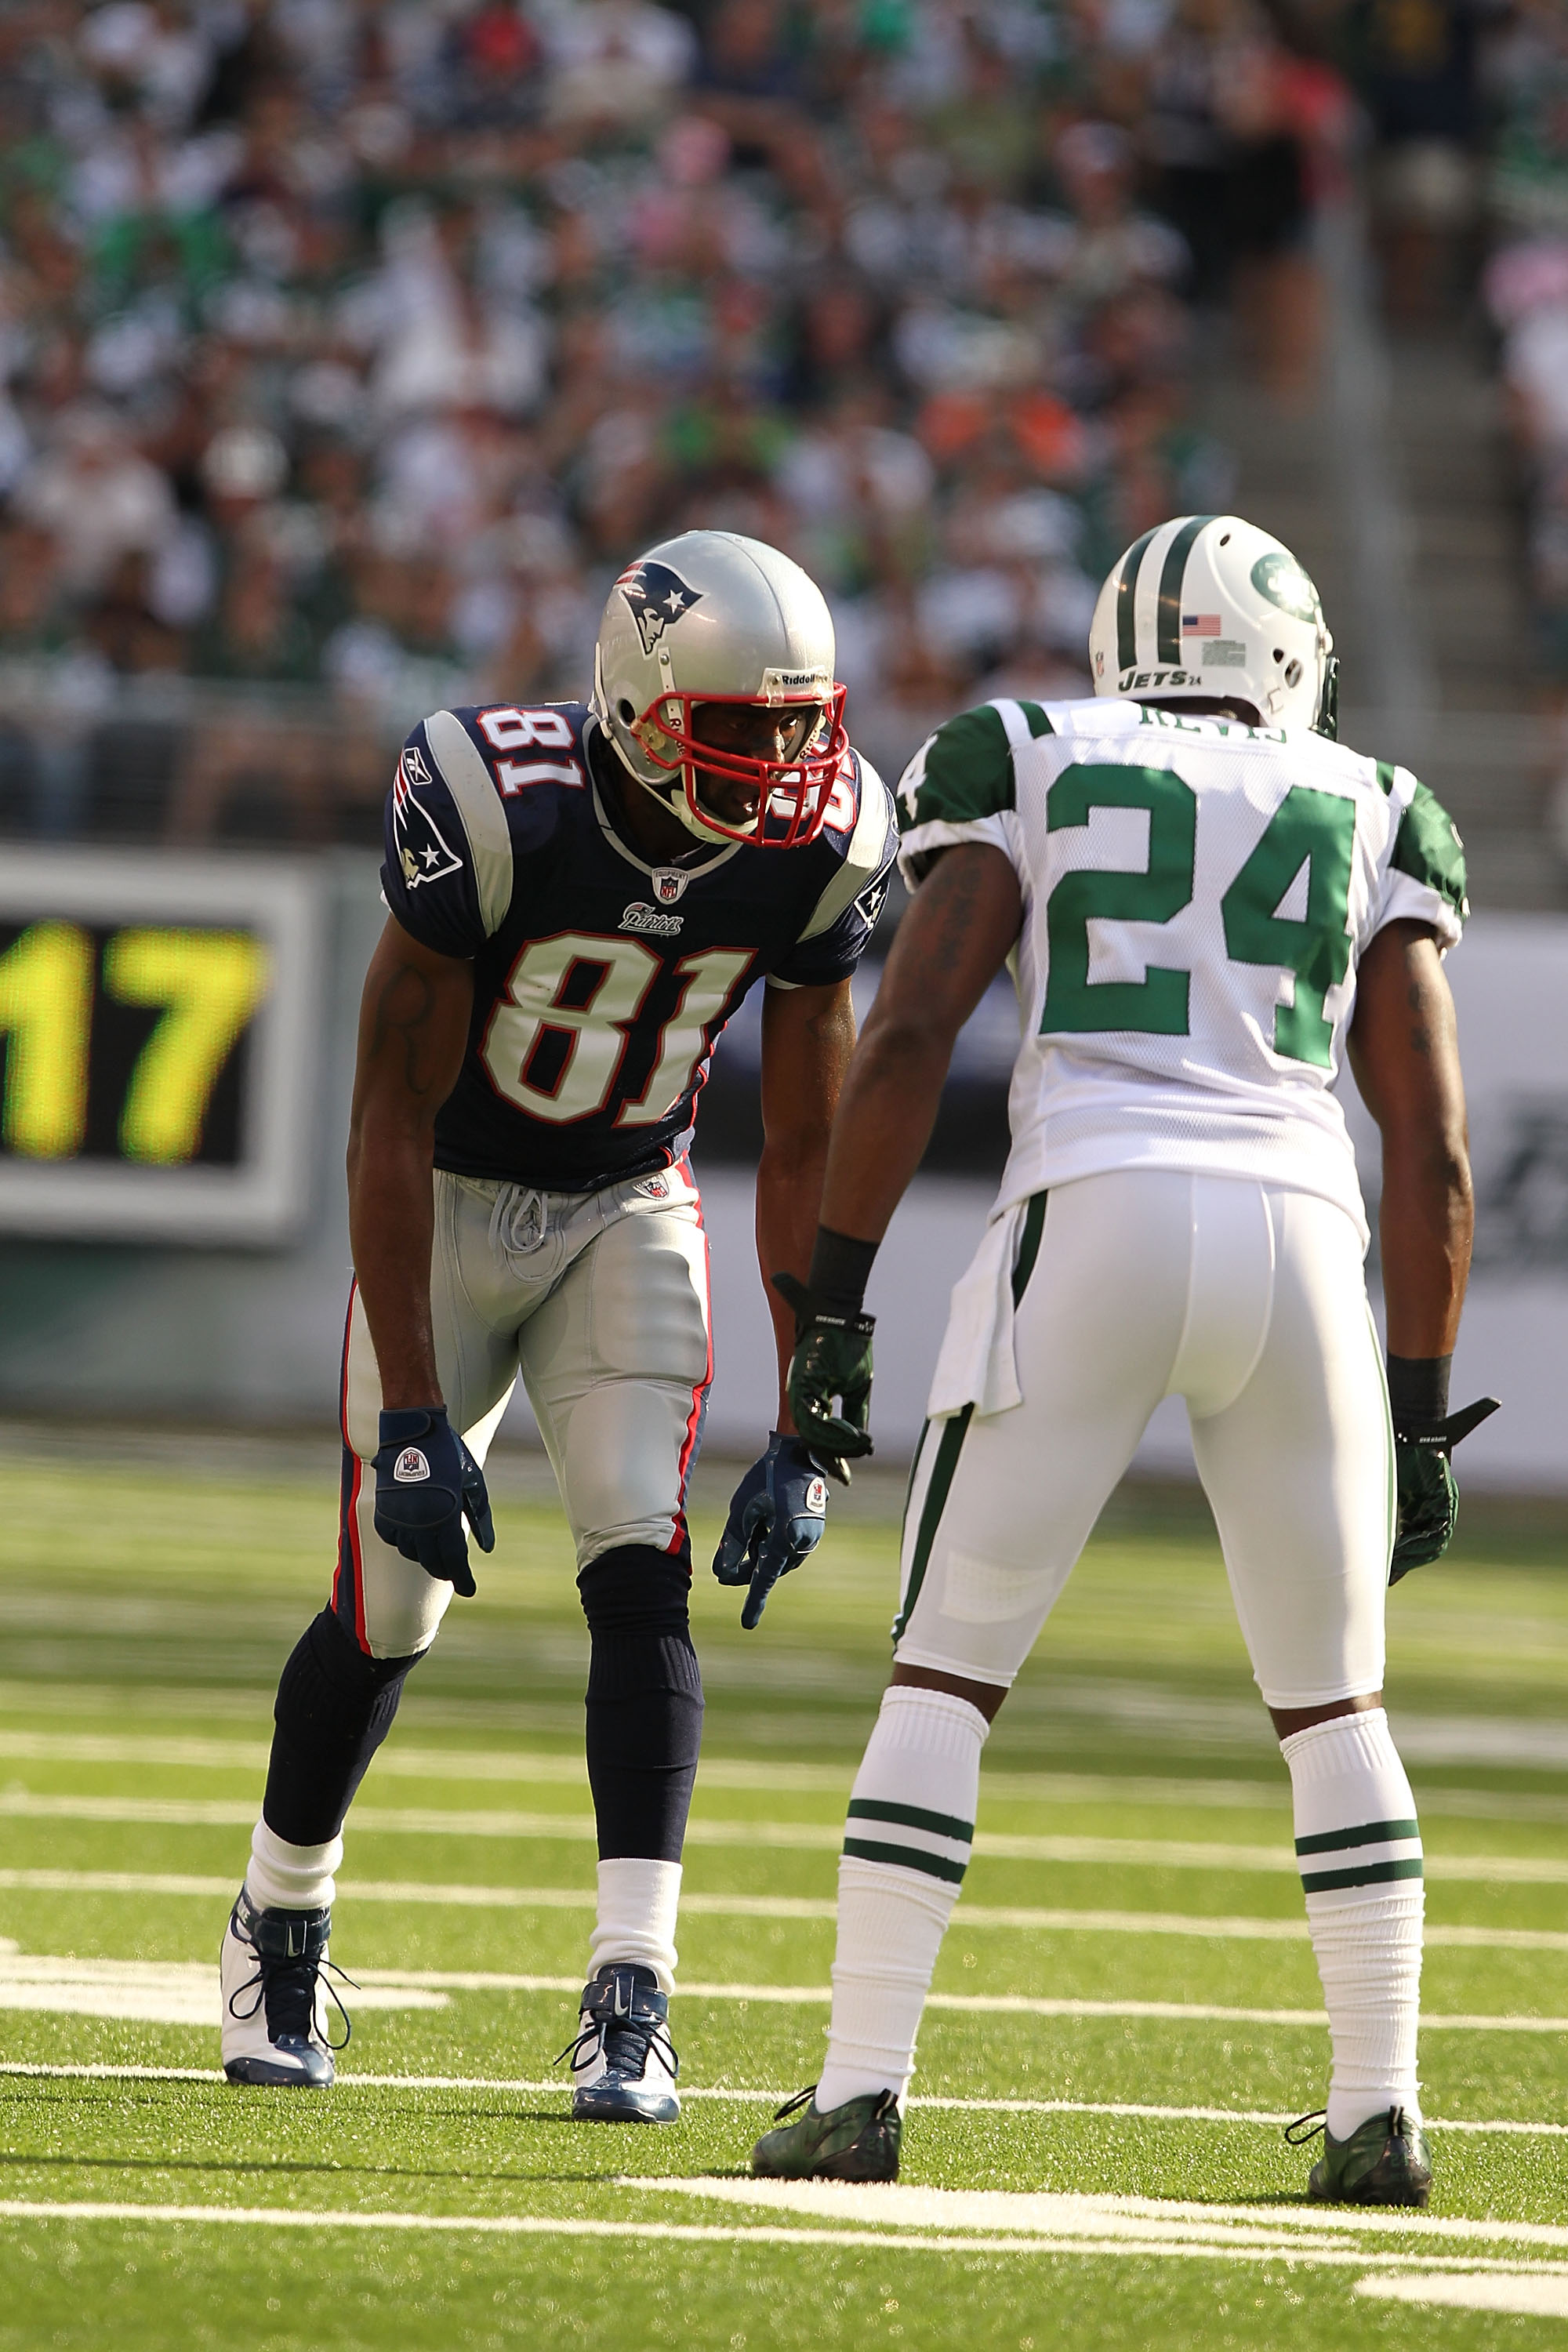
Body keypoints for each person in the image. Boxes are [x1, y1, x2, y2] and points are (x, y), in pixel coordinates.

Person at [750, 512, 1497, 2204]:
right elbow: (1432, 1149)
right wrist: (1419, 1416)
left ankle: (862, 2087)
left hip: (1088, 1206)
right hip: (1300, 1237)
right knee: (1336, 1704)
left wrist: (837, 1314)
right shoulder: (1377, 803)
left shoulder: (1021, 746)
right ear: (1288, 655)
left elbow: (911, 1037)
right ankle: (1377, 2112)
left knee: (946, 1672)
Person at [220, 528, 897, 2121]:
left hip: (625, 1204)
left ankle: (631, 1982)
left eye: (806, 724)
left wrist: (808, 1412)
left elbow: (804, 1141)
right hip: (450, 1204)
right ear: (644, 705)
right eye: (752, 725)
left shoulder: (825, 841)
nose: (791, 762)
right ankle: (282, 1909)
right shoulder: (494, 799)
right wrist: (404, 1414)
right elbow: (386, 1108)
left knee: (634, 1569)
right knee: (389, 1614)